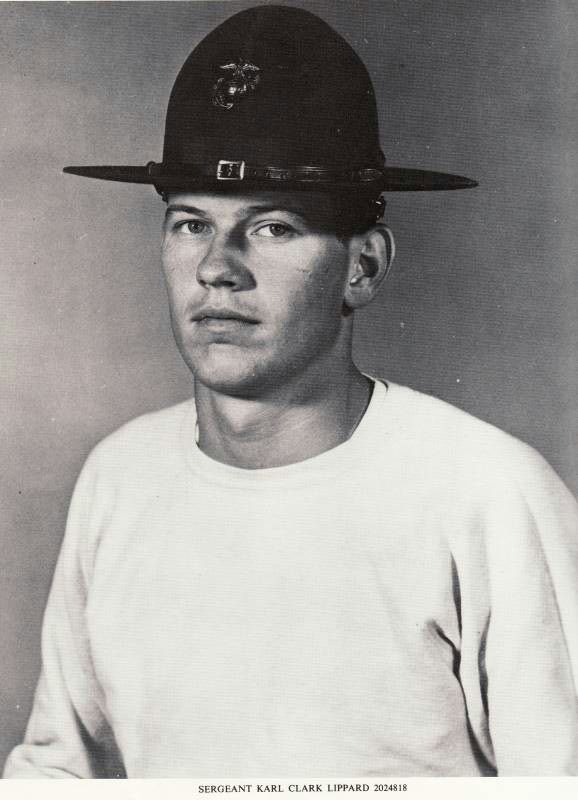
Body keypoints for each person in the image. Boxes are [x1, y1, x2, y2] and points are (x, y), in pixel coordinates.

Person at [4, 4, 578, 779]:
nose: (218, 267)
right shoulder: (121, 477)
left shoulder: (485, 493)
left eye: (273, 227)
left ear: (362, 266)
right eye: (190, 223)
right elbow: (56, 774)